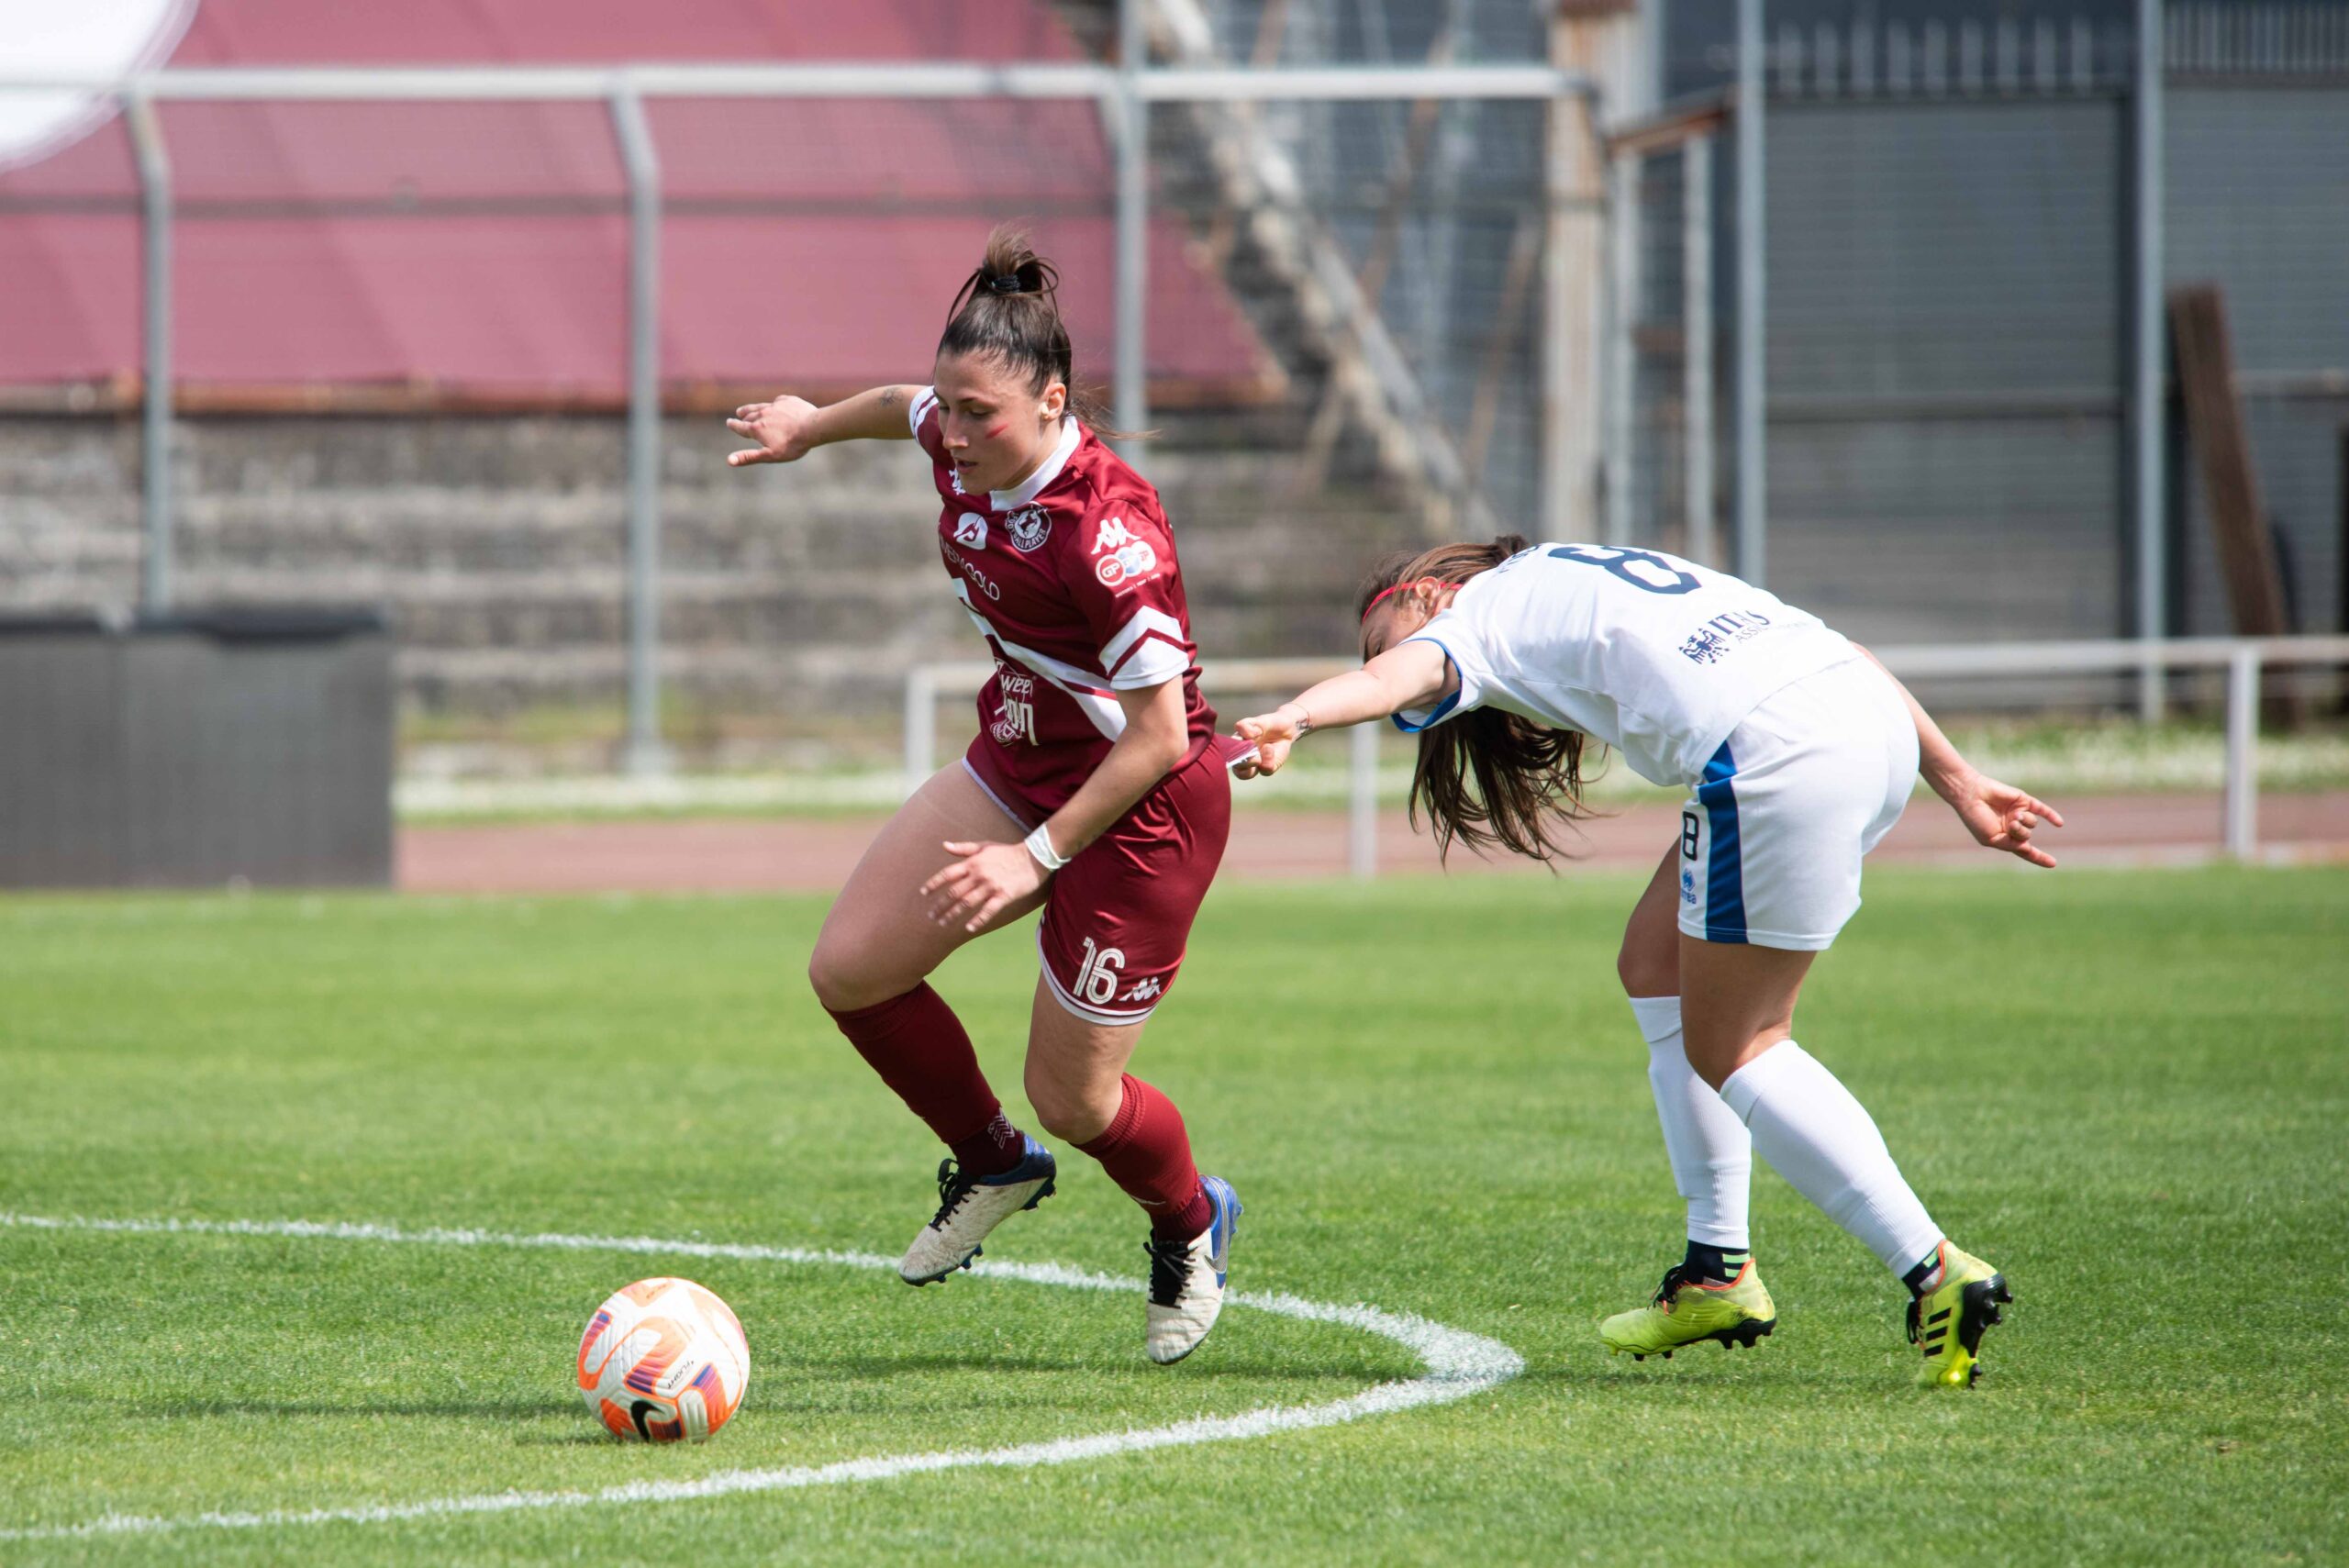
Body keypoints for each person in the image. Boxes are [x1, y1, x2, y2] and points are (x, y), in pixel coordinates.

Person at [1233, 535, 2062, 1388]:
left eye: (1387, 635)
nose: (1397, 660)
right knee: (1653, 961)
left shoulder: (1467, 621)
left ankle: (1934, 1270)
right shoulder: (1562, 564)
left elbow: (1382, 683)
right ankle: (1718, 1271)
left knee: (1740, 1044)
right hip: (1861, 713)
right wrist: (1957, 779)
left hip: (1775, 751)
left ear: (1432, 592)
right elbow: (1843, 649)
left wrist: (1293, 717)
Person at [725, 228, 1241, 1364]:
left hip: (1142, 808)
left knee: (1077, 1097)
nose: (952, 436)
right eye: (951, 410)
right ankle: (994, 1159)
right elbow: (901, 401)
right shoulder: (957, 431)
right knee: (851, 969)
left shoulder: (1110, 532)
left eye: (980, 416)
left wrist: (1036, 857)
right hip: (1021, 758)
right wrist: (809, 426)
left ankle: (1191, 1220)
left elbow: (1157, 735)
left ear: (1054, 403)